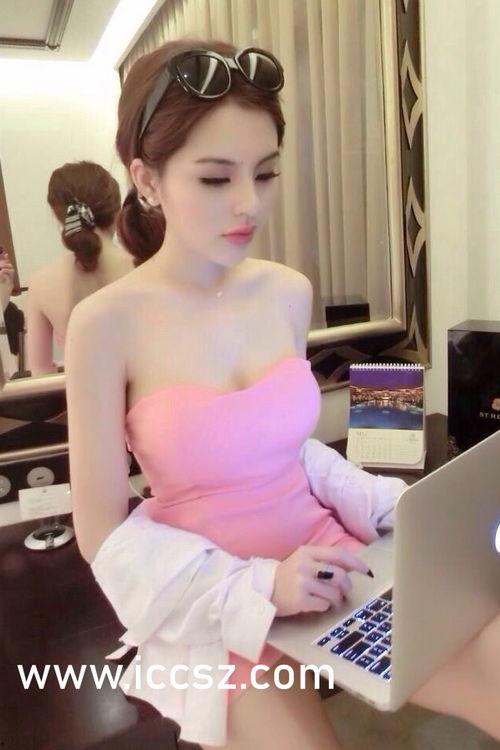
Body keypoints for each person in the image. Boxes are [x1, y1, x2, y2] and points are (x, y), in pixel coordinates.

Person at [64, 39, 500, 749]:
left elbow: (286, 450)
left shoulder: (286, 292)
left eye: (265, 173)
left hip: (330, 561)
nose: (249, 203)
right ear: (146, 179)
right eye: (215, 178)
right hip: (217, 599)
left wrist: (390, 507)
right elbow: (102, 533)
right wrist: (263, 587)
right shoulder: (105, 324)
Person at [26, 161, 135, 375]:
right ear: (117, 212)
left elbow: (39, 373)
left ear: (60, 217)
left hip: (80, 394)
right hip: (148, 393)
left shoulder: (40, 283)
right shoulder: (146, 266)